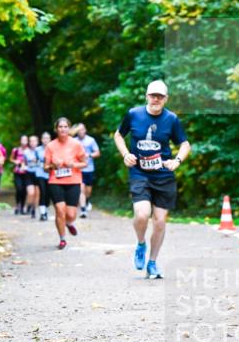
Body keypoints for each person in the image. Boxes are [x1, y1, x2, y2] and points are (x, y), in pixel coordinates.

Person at [113, 79, 191, 279]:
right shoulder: (134, 114)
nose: (156, 99)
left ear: (166, 99)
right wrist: (125, 154)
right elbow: (118, 135)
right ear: (147, 96)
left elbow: (185, 144)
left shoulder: (171, 119)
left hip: (163, 175)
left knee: (160, 222)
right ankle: (141, 244)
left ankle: (153, 263)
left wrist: (177, 161)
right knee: (141, 215)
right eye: (153, 95)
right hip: (140, 173)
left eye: (160, 96)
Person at [44, 117, 87, 250]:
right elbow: (45, 167)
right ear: (56, 129)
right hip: (55, 181)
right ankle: (62, 239)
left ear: (69, 128)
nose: (63, 129)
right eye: (60, 127)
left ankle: (69, 223)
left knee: (71, 214)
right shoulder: (50, 146)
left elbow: (84, 163)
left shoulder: (76, 144)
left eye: (65, 126)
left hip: (73, 181)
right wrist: (53, 166)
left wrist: (73, 164)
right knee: (59, 210)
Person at [74, 123, 101, 218]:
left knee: (88, 190)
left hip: (89, 168)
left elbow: (98, 153)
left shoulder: (91, 140)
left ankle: (87, 200)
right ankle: (83, 210)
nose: (80, 131)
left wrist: (89, 155)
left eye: (82, 129)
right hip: (78, 169)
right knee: (81, 189)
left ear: (85, 130)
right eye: (78, 130)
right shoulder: (74, 141)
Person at [22, 134, 44, 217]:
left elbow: (44, 162)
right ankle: (28, 205)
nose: (32, 143)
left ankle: (34, 210)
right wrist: (23, 166)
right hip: (29, 173)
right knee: (31, 193)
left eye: (34, 141)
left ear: (37, 142)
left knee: (37, 194)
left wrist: (38, 162)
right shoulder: (26, 152)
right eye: (31, 141)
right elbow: (23, 162)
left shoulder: (41, 151)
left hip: (39, 173)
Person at [9, 135, 31, 215]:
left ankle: (22, 207)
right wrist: (15, 161)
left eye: (25, 140)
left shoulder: (30, 150)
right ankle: (17, 205)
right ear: (20, 141)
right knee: (19, 189)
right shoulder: (16, 150)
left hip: (27, 172)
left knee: (24, 190)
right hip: (17, 172)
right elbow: (11, 159)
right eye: (23, 139)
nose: (24, 141)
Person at [34, 131, 51, 220]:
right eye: (44, 138)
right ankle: (42, 213)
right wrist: (39, 163)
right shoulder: (37, 149)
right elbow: (35, 161)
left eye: (47, 138)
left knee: (48, 193)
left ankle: (46, 211)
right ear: (41, 140)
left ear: (50, 139)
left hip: (50, 174)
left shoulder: (53, 149)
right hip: (40, 173)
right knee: (43, 192)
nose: (46, 140)